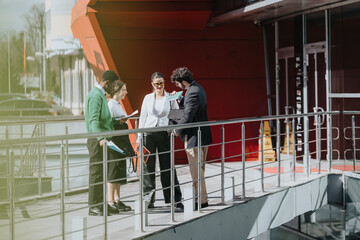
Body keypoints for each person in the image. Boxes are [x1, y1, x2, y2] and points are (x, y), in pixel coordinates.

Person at [137, 72, 183, 210]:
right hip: (148, 134)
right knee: (148, 168)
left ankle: (174, 199)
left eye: (162, 83)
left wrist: (175, 130)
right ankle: (148, 200)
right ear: (152, 84)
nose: (160, 86)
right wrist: (139, 137)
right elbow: (143, 116)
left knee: (168, 167)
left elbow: (176, 113)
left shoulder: (170, 97)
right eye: (157, 83)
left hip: (165, 133)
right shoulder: (147, 98)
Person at [170, 67, 212, 210]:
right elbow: (191, 108)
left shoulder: (192, 92)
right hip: (203, 136)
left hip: (194, 137)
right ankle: (202, 199)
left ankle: (201, 201)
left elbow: (188, 116)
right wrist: (181, 99)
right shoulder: (198, 88)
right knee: (199, 170)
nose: (177, 86)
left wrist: (176, 130)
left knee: (196, 172)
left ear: (182, 81)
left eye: (177, 84)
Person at [85, 70, 120, 216]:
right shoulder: (95, 95)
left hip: (101, 138)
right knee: (96, 173)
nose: (113, 89)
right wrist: (100, 139)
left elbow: (101, 118)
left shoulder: (100, 95)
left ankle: (100, 204)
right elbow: (93, 120)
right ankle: (94, 206)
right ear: (107, 83)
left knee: (101, 172)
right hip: (96, 139)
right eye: (113, 86)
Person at [107, 80, 134, 212]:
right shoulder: (111, 106)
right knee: (113, 171)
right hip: (114, 142)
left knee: (118, 171)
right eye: (124, 90)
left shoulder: (117, 104)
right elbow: (109, 123)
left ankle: (117, 199)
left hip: (120, 141)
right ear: (117, 91)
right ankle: (110, 200)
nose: (126, 93)